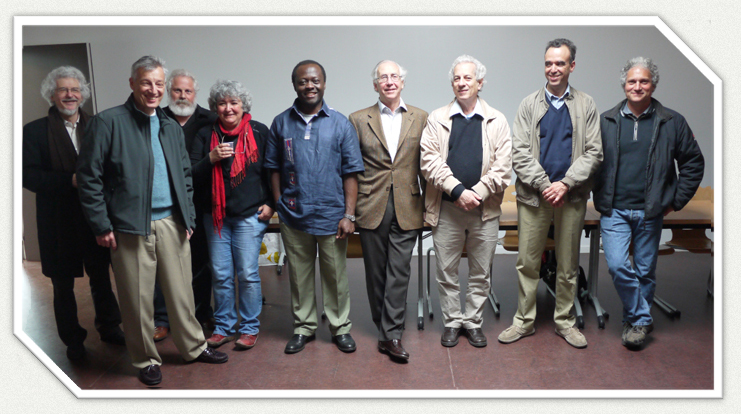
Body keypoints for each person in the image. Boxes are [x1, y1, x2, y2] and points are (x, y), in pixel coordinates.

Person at [76, 55, 228, 386]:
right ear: (132, 83)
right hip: (129, 227)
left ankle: (194, 346)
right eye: (146, 82)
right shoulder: (108, 123)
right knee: (137, 300)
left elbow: (185, 175)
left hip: (173, 223)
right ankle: (145, 358)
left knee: (182, 294)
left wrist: (188, 216)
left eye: (159, 83)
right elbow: (88, 178)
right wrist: (101, 224)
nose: (153, 90)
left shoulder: (170, 126)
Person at [498, 38, 602, 349]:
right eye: (548, 63)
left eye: (560, 63)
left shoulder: (586, 104)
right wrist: (546, 185)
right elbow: (518, 153)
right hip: (534, 197)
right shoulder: (528, 105)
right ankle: (523, 321)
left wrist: (565, 184)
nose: (553, 68)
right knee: (527, 263)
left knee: (568, 265)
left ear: (572, 66)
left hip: (571, 197)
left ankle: (565, 322)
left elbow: (594, 152)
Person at [594, 57, 704, 350]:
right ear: (624, 85)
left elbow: (693, 162)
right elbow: (590, 162)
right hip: (614, 210)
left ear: (653, 85)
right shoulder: (606, 120)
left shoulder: (672, 121)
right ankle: (643, 318)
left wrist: (675, 201)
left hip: (650, 211)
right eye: (632, 81)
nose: (637, 86)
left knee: (644, 271)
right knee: (618, 265)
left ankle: (635, 325)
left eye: (644, 81)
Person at [22, 66, 125, 360]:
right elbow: (28, 176)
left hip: (95, 218)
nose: (70, 95)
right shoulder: (34, 131)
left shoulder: (99, 125)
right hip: (57, 221)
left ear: (83, 94)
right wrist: (69, 180)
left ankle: (109, 327)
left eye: (75, 89)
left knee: (101, 277)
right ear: (51, 95)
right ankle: (73, 341)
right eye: (63, 90)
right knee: (62, 284)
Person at [265, 60, 364, 354]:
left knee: (335, 277)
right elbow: (273, 167)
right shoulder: (281, 123)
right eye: (303, 81)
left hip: (332, 217)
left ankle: (340, 328)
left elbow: (351, 172)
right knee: (299, 276)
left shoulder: (340, 123)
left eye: (315, 80)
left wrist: (348, 214)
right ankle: (303, 327)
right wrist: (279, 203)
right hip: (294, 214)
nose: (310, 86)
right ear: (295, 85)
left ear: (324, 83)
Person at [420, 55, 512, 349]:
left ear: (480, 83)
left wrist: (478, 193)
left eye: (468, 78)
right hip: (448, 208)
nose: (461, 83)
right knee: (446, 272)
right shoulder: (437, 118)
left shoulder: (497, 119)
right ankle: (452, 322)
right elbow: (429, 161)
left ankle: (472, 322)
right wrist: (458, 191)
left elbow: (503, 167)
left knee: (480, 273)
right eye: (457, 78)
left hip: (484, 210)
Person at [348, 60, 428, 361]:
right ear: (375, 85)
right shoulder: (358, 119)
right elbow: (350, 169)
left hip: (409, 205)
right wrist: (349, 211)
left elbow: (427, 166)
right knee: (376, 273)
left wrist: (431, 208)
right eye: (383, 77)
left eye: (395, 76)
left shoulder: (421, 117)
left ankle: (391, 334)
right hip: (371, 205)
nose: (390, 81)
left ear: (402, 82)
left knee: (399, 271)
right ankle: (384, 326)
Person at [190, 79, 273, 350]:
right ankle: (223, 327)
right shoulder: (205, 134)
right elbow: (190, 173)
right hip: (215, 217)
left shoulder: (259, 131)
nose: (228, 108)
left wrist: (272, 204)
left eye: (234, 102)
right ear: (215, 107)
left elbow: (273, 170)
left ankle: (249, 328)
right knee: (221, 274)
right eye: (222, 103)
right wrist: (210, 158)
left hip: (250, 216)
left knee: (247, 273)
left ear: (243, 105)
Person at [152, 69, 218, 342]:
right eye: (177, 90)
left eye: (187, 91)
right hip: (165, 204)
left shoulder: (211, 120)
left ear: (195, 93)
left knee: (201, 263)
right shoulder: (155, 117)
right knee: (161, 265)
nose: (182, 95)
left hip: (202, 203)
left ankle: (202, 313)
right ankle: (162, 319)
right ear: (169, 92)